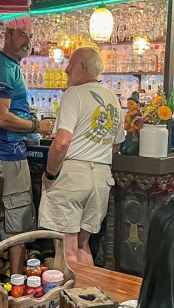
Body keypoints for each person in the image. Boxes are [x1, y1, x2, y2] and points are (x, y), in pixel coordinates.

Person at [38, 47, 124, 265]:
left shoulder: (73, 94)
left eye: (71, 64)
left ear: (83, 66)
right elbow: (116, 144)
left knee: (66, 248)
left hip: (73, 176)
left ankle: (69, 288)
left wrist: (50, 174)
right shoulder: (112, 98)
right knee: (83, 244)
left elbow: (62, 142)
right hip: (102, 177)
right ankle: (88, 287)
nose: (66, 69)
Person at [0, 25, 53, 275]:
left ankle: (0, 277)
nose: (27, 41)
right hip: (6, 155)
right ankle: (16, 282)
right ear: (7, 36)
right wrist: (36, 125)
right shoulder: (2, 67)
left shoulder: (2, 65)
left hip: (0, 152)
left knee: (2, 217)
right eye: (21, 35)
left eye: (30, 36)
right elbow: (0, 117)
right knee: (17, 221)